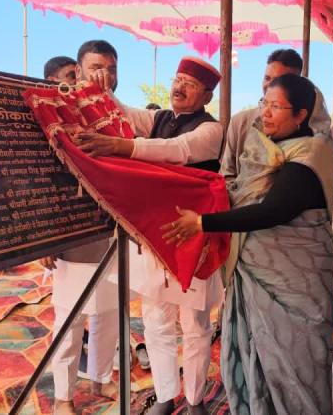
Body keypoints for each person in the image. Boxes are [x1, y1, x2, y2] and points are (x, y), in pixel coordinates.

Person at [162, 74, 333, 415]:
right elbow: (237, 190)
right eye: (264, 104)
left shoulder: (311, 151)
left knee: (293, 361)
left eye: (277, 107)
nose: (266, 113)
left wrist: (201, 223)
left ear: (301, 115)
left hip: (294, 282)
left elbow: (274, 211)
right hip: (254, 274)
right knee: (255, 352)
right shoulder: (262, 147)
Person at [78, 56, 224, 415]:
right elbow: (121, 113)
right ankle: (165, 395)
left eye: (190, 84)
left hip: (190, 235)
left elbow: (177, 151)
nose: (179, 87)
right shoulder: (158, 118)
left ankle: (194, 399)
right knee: (156, 319)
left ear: (207, 96)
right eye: (177, 79)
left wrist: (122, 148)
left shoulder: (211, 129)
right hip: (153, 233)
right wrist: (101, 89)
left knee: (194, 323)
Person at [47, 40, 122, 415]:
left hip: (115, 230)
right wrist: (44, 237)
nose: (105, 75)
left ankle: (101, 377)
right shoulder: (57, 113)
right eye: (96, 68)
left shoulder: (120, 116)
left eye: (111, 68)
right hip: (71, 231)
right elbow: (44, 176)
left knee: (109, 311)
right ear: (78, 71)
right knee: (70, 316)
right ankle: (63, 396)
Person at [220, 48, 330, 182]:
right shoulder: (240, 122)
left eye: (280, 80)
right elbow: (226, 173)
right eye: (267, 78)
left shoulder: (313, 135)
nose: (270, 85)